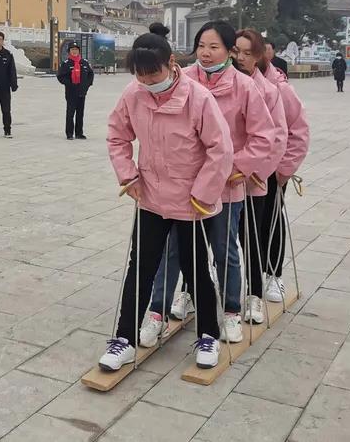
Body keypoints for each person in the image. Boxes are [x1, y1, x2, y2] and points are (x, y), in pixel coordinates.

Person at [140, 21, 283, 346]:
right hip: (184, 187)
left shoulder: (245, 87)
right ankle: (157, 312)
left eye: (214, 47)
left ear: (230, 51)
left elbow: (264, 135)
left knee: (223, 249)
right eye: (201, 46)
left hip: (225, 185)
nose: (205, 53)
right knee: (173, 250)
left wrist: (238, 167)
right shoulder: (183, 80)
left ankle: (231, 310)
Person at [101, 32, 232, 372]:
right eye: (141, 76)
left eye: (153, 75)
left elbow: (220, 148)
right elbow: (117, 135)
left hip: (192, 202)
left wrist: (204, 192)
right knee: (141, 268)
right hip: (151, 197)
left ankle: (208, 335)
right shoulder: (133, 94)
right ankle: (124, 338)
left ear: (171, 63)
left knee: (195, 268)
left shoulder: (198, 98)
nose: (148, 83)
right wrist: (128, 175)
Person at [236, 28, 309, 318]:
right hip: (236, 170)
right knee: (236, 226)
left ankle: (273, 273)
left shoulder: (278, 88)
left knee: (269, 223)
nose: (241, 57)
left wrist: (283, 169)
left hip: (270, 169)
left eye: (249, 52)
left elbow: (297, 130)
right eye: (237, 51)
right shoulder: (233, 81)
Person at [57, 42, 94, 140]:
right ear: (69, 51)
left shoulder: (84, 63)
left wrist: (87, 85)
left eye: (76, 49)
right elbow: (60, 76)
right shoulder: (66, 64)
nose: (74, 51)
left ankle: (79, 133)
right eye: (72, 49)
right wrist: (69, 84)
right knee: (70, 113)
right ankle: (69, 133)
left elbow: (90, 74)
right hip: (71, 92)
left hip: (82, 92)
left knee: (80, 113)